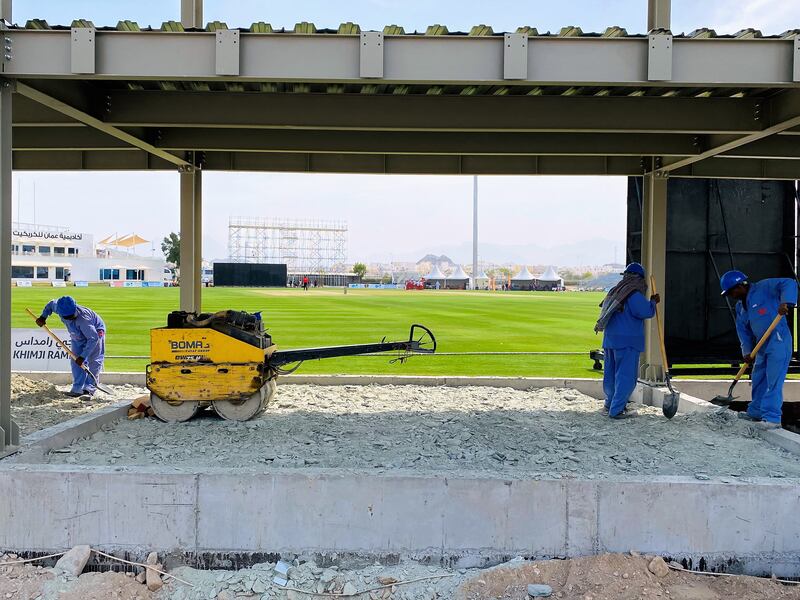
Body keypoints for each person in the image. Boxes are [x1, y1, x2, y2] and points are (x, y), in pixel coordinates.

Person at [720, 270, 797, 429]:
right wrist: (747, 352)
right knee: (758, 378)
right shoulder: (741, 306)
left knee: (773, 381)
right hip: (761, 346)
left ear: (741, 285)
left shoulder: (765, 287)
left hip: (778, 341)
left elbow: (789, 282)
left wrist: (786, 302)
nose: (732, 295)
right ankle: (755, 412)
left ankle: (772, 418)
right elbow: (743, 330)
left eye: (732, 291)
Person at [595, 262, 660, 419]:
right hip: (628, 342)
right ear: (639, 278)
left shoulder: (615, 291)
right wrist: (653, 302)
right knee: (625, 377)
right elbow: (645, 311)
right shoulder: (633, 294)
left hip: (610, 340)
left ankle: (609, 404)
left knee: (610, 374)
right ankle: (617, 410)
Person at [36, 296, 106, 400]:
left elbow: (93, 339)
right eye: (66, 316)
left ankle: (89, 389)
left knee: (94, 361)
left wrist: (83, 356)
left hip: (95, 334)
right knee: (75, 361)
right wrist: (43, 317)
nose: (70, 318)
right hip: (76, 335)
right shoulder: (57, 306)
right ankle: (77, 389)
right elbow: (50, 304)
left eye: (71, 315)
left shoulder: (84, 319)